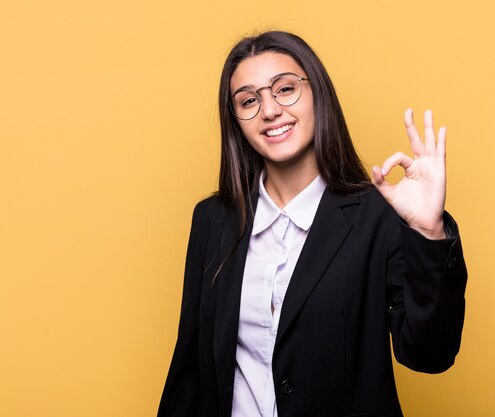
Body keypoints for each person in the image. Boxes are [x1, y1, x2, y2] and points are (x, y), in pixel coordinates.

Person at [157, 30, 467, 417]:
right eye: (249, 100)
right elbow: (191, 369)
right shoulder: (214, 219)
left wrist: (428, 232)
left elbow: (430, 354)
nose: (269, 110)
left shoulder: (377, 217)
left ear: (318, 93)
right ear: (235, 120)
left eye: (285, 89)